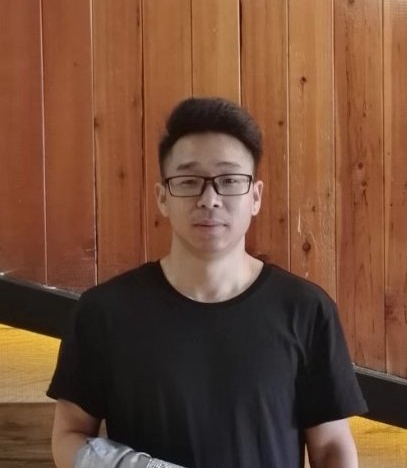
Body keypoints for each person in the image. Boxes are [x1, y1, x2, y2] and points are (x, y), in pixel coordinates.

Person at [47, 97, 367, 468]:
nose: (209, 199)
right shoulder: (104, 311)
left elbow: (331, 447)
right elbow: (69, 435)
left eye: (229, 181)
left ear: (255, 197)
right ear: (162, 197)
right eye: (189, 181)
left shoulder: (305, 309)